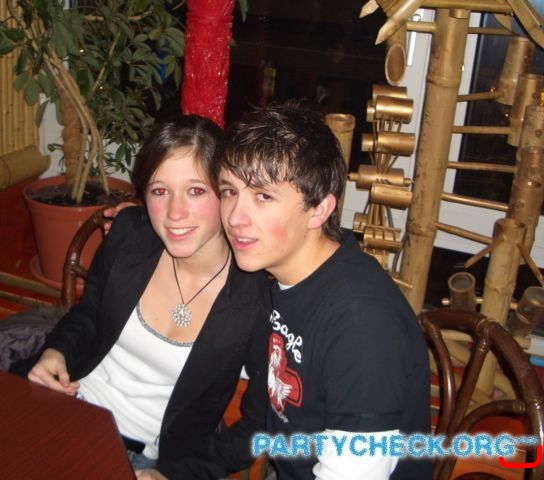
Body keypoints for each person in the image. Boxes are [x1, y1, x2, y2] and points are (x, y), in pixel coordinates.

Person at [27, 114, 270, 479]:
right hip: (70, 409)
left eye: (195, 191)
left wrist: (177, 474)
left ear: (226, 194)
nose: (175, 213)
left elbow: (262, 424)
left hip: (149, 463)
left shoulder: (256, 301)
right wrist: (56, 352)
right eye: (160, 191)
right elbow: (89, 314)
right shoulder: (130, 235)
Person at [213, 100, 432, 479]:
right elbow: (264, 417)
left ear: (319, 209)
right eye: (229, 191)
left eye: (263, 196)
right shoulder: (281, 276)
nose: (234, 218)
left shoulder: (362, 322)